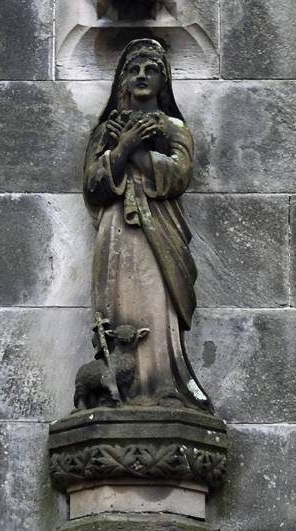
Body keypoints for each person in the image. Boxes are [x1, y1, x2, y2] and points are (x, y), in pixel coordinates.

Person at [82, 39, 211, 412]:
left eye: (150, 69)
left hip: (159, 231)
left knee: (156, 303)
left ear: (162, 81)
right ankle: (117, 388)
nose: (141, 76)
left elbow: (179, 176)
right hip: (117, 229)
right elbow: (93, 185)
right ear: (122, 80)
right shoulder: (106, 131)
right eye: (134, 69)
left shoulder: (173, 129)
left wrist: (138, 151)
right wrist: (121, 148)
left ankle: (163, 385)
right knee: (119, 303)